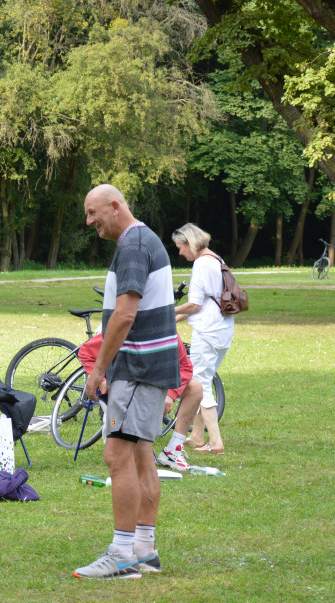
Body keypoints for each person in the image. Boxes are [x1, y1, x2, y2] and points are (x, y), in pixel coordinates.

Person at [74, 184, 178, 580]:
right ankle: (144, 549)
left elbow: (124, 316)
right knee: (140, 456)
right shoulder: (144, 239)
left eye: (93, 212)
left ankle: (121, 556)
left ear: (115, 207)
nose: (89, 222)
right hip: (150, 368)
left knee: (117, 456)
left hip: (136, 369)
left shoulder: (134, 245)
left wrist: (99, 369)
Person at [77, 333, 202, 472]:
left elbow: (185, 367)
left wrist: (171, 394)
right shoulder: (127, 329)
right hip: (125, 391)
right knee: (138, 463)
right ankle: (128, 442)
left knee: (195, 388)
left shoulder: (169, 333)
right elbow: (85, 351)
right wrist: (100, 379)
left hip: (154, 388)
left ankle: (173, 450)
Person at [171, 223, 233, 453]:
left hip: (208, 332)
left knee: (199, 384)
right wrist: (172, 321)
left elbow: (195, 305)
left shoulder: (201, 264)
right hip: (223, 330)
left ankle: (215, 442)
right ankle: (197, 435)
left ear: (190, 242)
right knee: (201, 380)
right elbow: (205, 303)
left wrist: (167, 311)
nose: (179, 252)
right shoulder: (216, 259)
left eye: (180, 247)